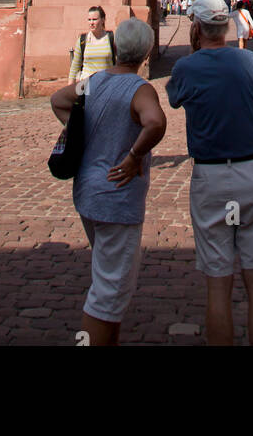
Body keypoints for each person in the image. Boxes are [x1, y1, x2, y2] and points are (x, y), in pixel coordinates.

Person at [166, 0, 253, 346]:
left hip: (210, 178)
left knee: (217, 288)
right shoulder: (247, 61)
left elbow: (175, 98)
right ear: (228, 25)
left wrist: (196, 54)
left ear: (196, 27)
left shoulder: (185, 68)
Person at [51, 18, 166, 347]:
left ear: (115, 49)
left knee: (109, 286)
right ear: (146, 54)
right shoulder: (140, 89)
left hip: (87, 194)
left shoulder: (95, 82)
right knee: (107, 292)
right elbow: (156, 122)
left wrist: (77, 132)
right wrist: (134, 155)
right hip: (116, 197)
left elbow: (58, 100)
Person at [68, 6, 116, 86]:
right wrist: (69, 89)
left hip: (106, 85)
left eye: (94, 19)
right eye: (89, 20)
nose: (91, 23)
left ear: (103, 20)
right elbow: (75, 66)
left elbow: (120, 63)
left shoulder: (111, 38)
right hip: (85, 86)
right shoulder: (82, 40)